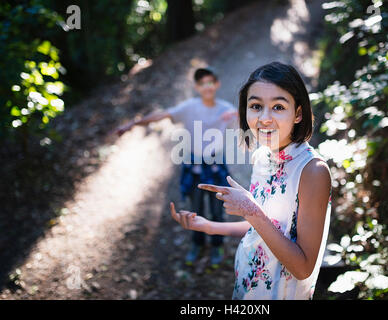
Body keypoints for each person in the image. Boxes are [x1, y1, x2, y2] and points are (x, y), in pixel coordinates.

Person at [170, 61, 332, 299]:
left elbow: (303, 267)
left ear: (298, 113)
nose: (264, 118)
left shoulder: (313, 172)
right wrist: (209, 227)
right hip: (247, 288)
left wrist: (250, 210)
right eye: (256, 106)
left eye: (278, 106)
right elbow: (265, 225)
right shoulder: (262, 156)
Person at [115, 67, 238, 267]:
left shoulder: (226, 109)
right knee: (196, 209)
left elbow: (248, 123)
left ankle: (217, 245)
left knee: (217, 210)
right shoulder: (189, 107)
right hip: (194, 168)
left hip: (216, 168)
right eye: (202, 83)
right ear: (197, 87)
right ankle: (197, 244)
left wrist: (238, 113)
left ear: (217, 84)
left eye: (210, 82)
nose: (207, 87)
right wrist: (133, 123)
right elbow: (162, 115)